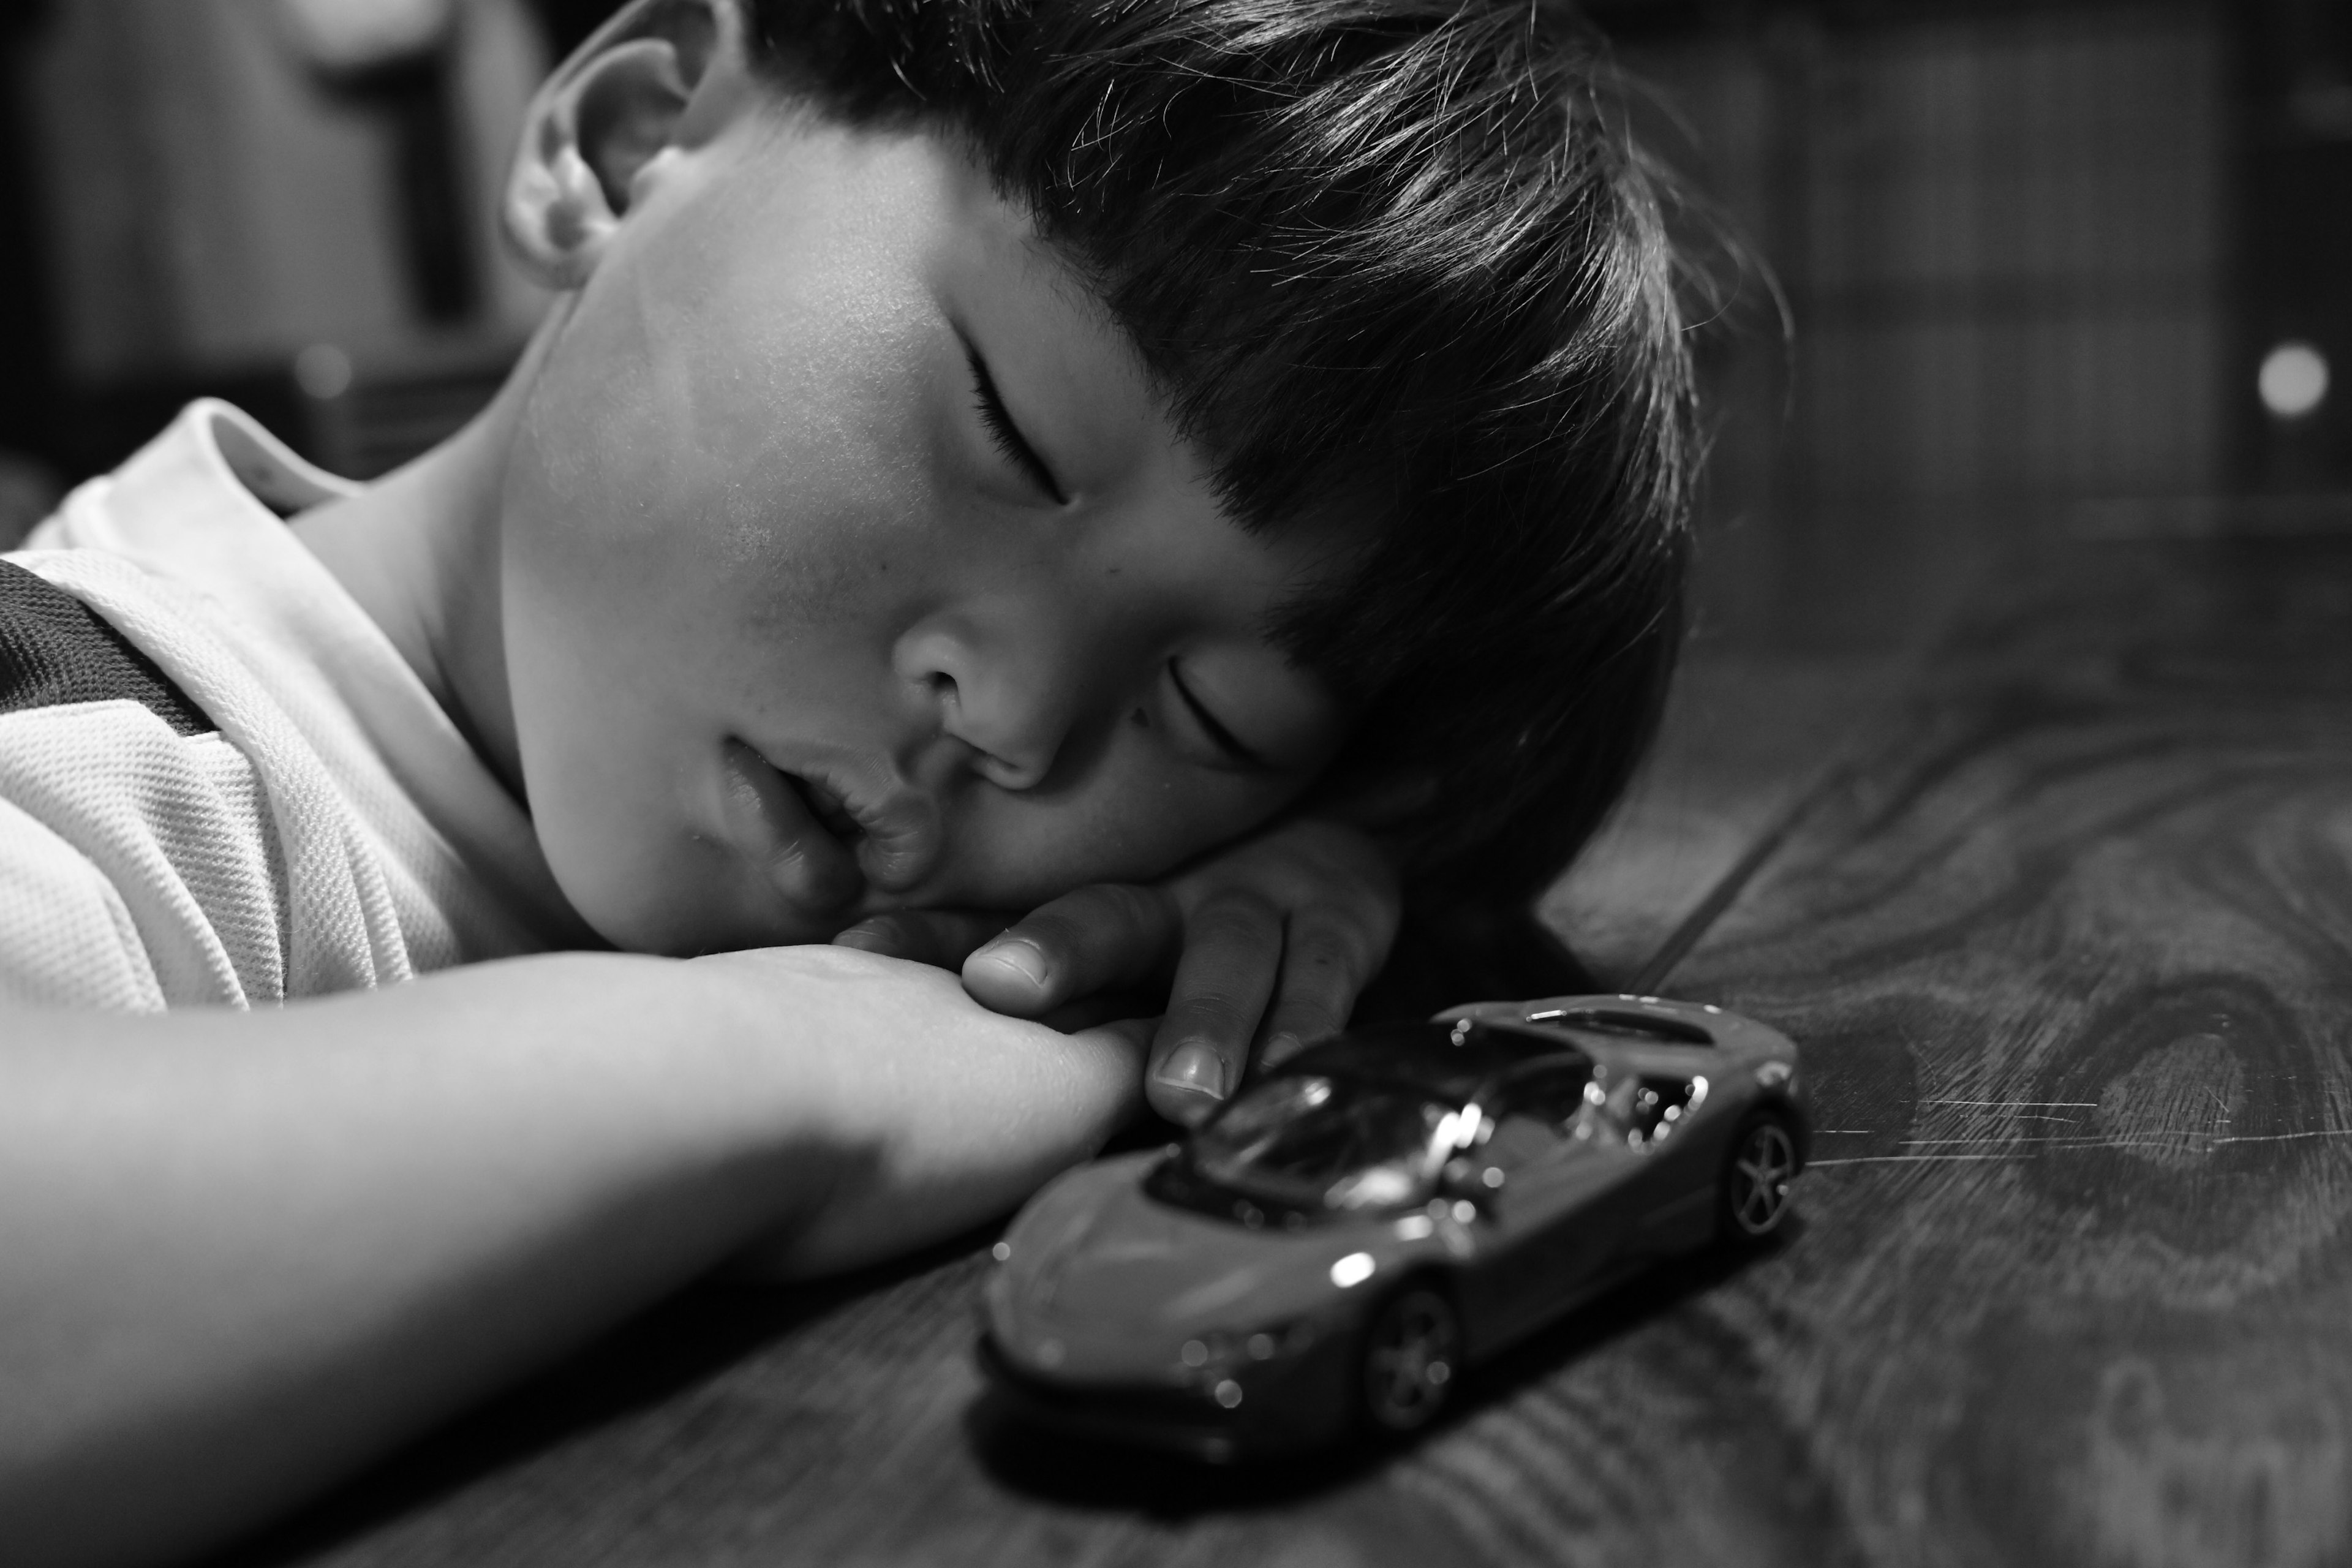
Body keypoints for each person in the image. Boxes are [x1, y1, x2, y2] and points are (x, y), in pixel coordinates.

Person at [0, 0, 1694, 1559]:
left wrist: (1277, 910)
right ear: (634, 136)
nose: (1020, 715)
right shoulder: (91, 742)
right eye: (1017, 434)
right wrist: (818, 1063)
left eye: (1214, 713)